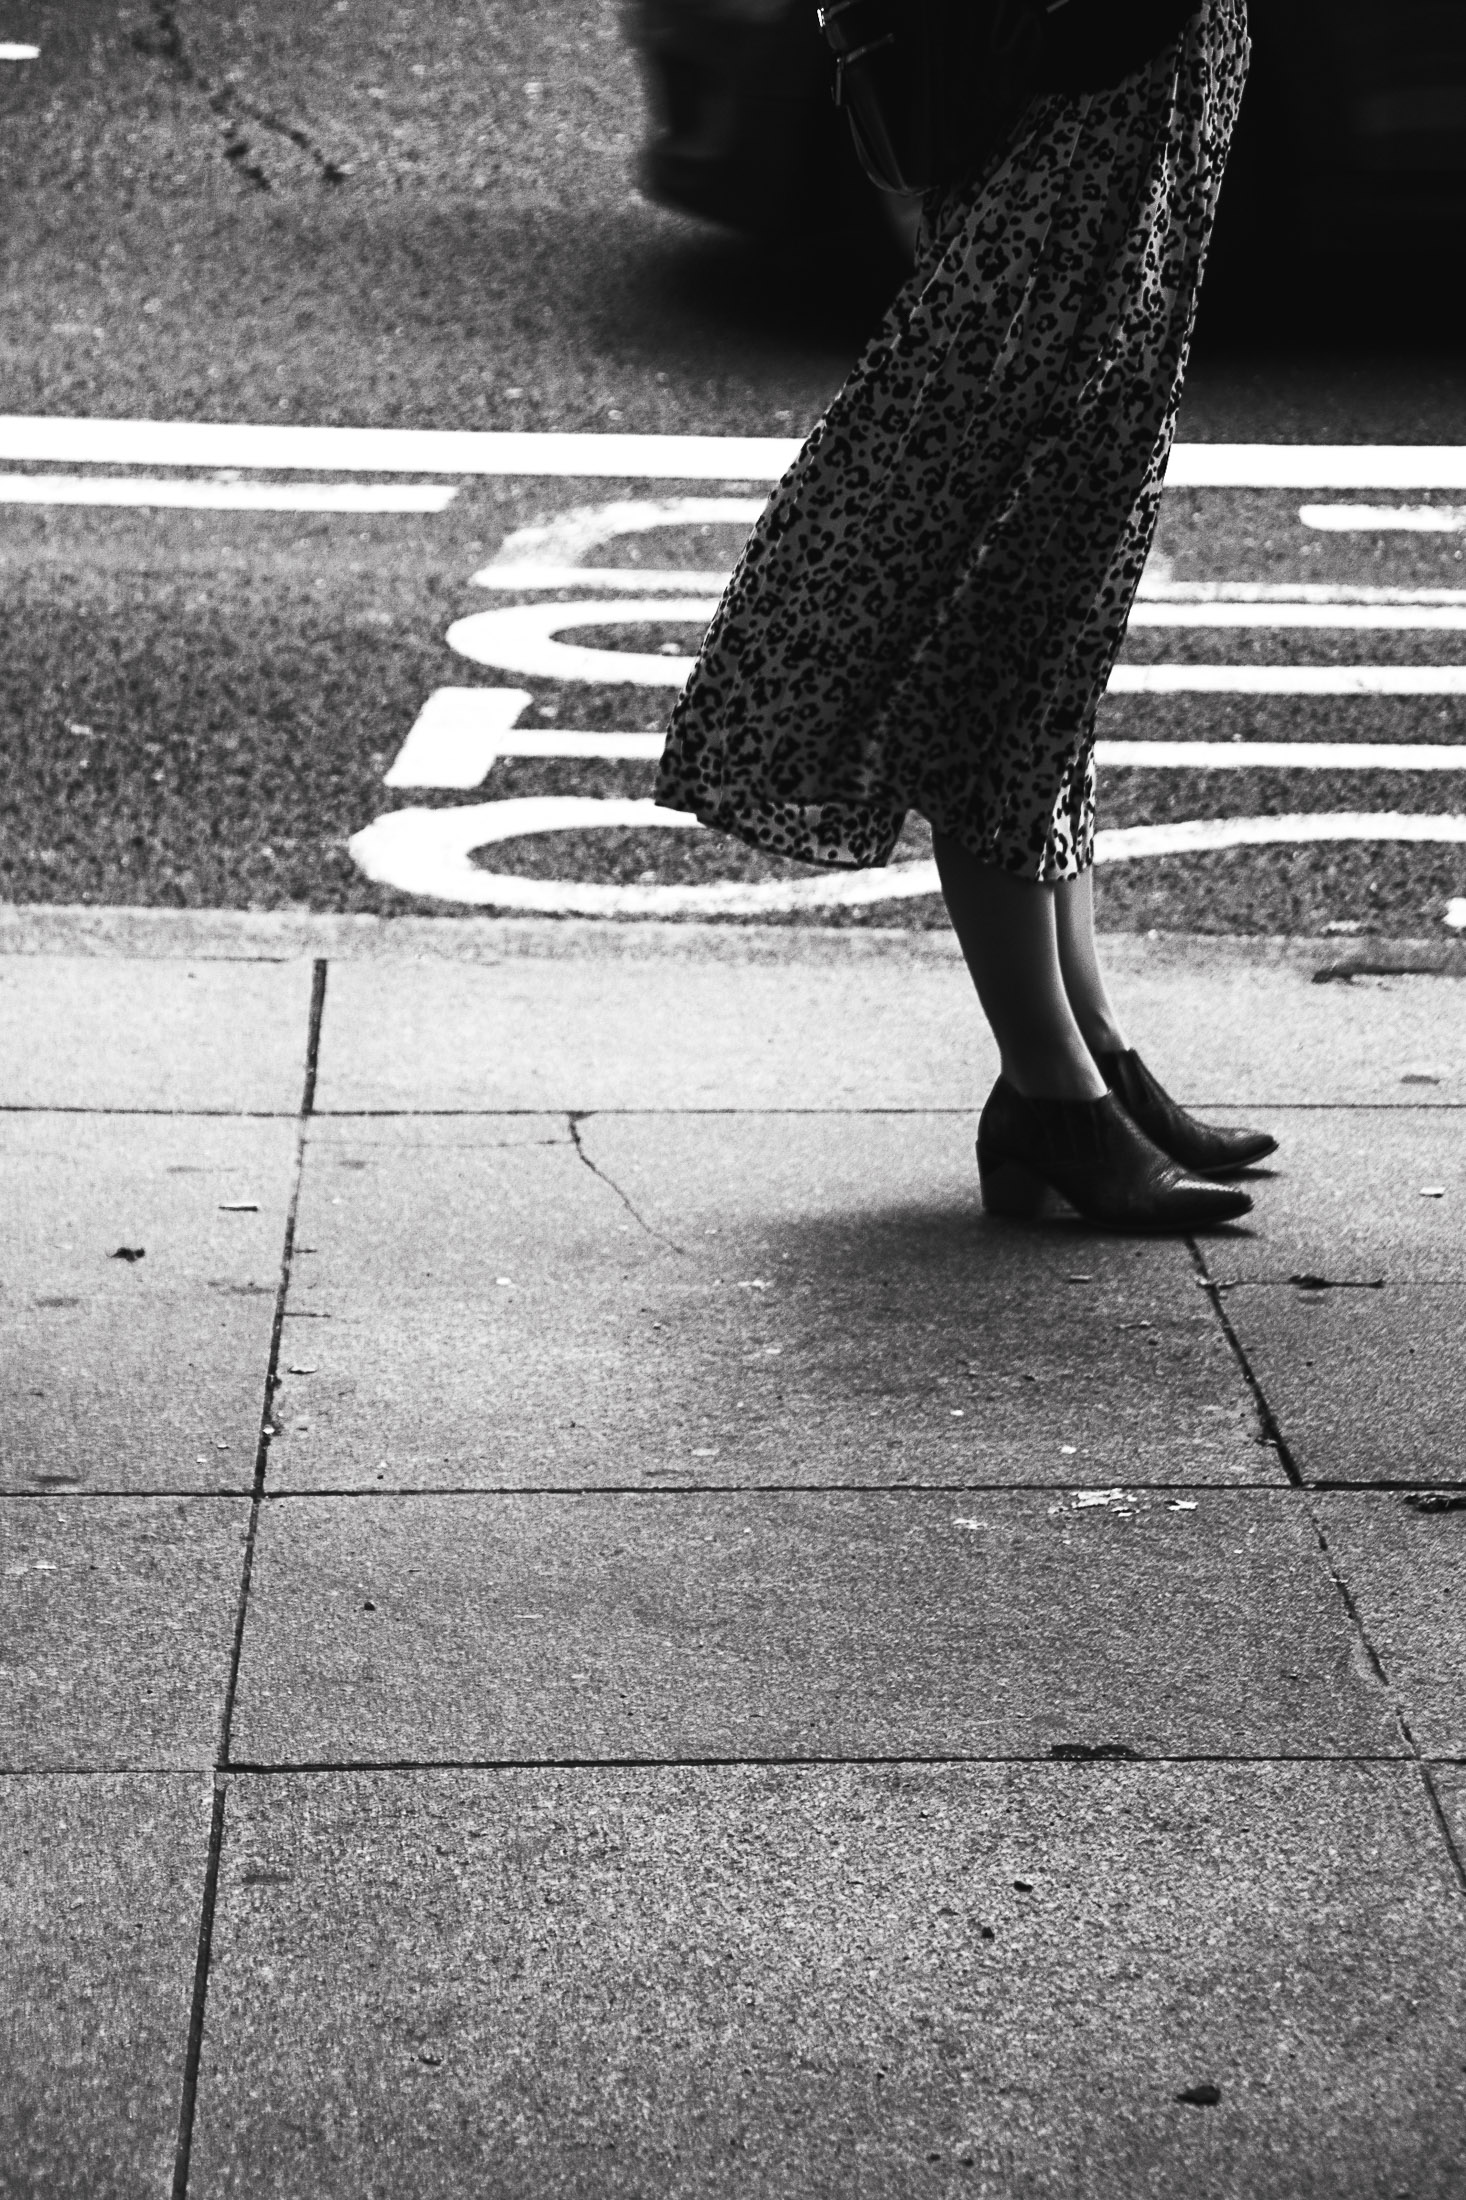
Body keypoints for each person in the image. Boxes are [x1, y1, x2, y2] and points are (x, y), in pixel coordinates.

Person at [656, 0, 1275, 1231]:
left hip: (1120, 156)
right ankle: (1048, 1090)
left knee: (1054, 632)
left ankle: (1085, 1045)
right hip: (1059, 186)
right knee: (1001, 624)